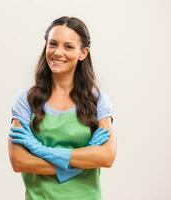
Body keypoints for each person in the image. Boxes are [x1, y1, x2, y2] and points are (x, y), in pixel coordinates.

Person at [8, 16, 117, 200]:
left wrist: (41, 150)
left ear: (83, 53)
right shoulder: (26, 100)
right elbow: (19, 161)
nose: (58, 52)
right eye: (53, 44)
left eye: (68, 46)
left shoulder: (97, 101)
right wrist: (80, 161)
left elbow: (106, 156)